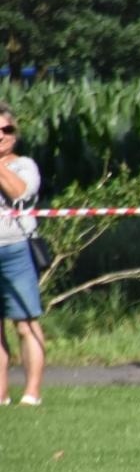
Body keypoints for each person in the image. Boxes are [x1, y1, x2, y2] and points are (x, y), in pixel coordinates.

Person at [0, 102, 46, 407]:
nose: (2, 135)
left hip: (16, 249)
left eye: (7, 130)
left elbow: (18, 192)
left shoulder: (24, 165)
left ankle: (32, 394)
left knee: (25, 324)